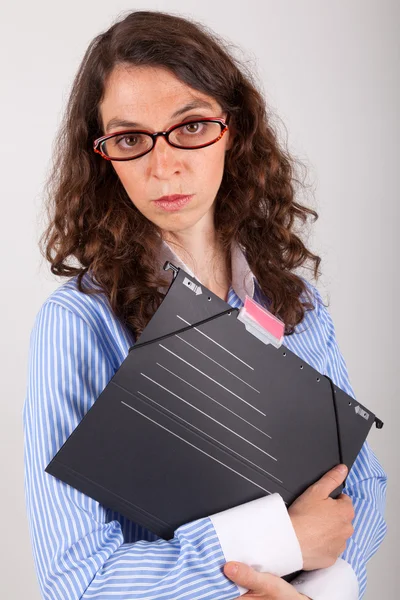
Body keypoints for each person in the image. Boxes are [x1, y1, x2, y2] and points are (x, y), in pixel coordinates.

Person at [23, 9, 387, 600]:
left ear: (232, 129)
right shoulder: (79, 324)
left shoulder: (297, 303)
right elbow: (77, 581)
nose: (164, 165)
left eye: (190, 126)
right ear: (103, 156)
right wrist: (279, 542)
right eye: (131, 138)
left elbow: (362, 491)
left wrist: (320, 592)